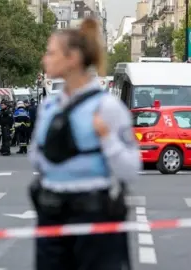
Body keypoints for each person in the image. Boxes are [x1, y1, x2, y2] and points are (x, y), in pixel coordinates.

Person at [29, 18, 140, 270]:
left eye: (51, 53)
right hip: (51, 212)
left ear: (73, 58)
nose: (44, 59)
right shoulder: (49, 106)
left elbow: (131, 169)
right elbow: (36, 157)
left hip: (93, 215)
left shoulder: (107, 107)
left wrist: (107, 139)